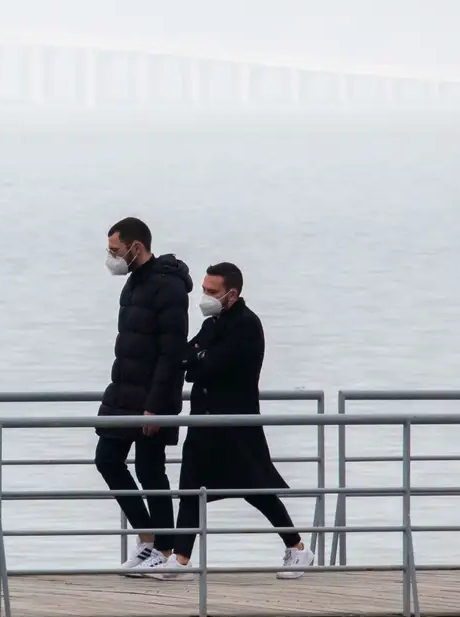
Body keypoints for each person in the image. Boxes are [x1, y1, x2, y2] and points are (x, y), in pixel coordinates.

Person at [149, 261, 314, 580]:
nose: (205, 297)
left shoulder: (247, 325)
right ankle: (180, 559)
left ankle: (297, 548)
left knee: (257, 488)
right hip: (203, 423)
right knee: (190, 489)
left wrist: (198, 359)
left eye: (212, 291)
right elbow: (189, 357)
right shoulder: (214, 322)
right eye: (203, 290)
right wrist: (197, 358)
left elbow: (208, 367)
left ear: (232, 294)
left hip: (235, 424)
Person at [95, 216, 192, 576]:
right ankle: (148, 538)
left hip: (153, 397)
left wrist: (156, 406)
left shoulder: (168, 288)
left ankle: (163, 549)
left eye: (115, 250)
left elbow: (171, 352)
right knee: (107, 459)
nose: (111, 257)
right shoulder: (134, 283)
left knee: (151, 471)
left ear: (137, 247)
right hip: (124, 390)